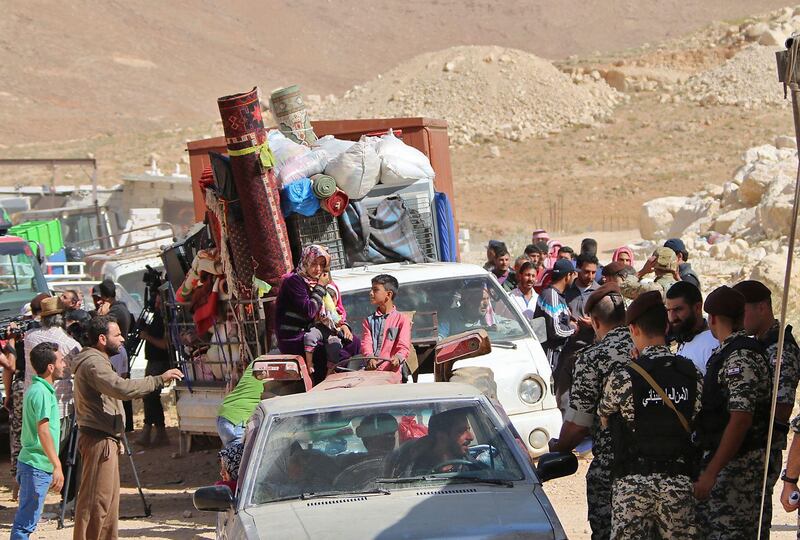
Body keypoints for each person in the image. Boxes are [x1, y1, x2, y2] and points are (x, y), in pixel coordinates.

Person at [598, 290, 702, 540]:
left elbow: (604, 416)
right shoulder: (691, 374)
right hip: (678, 482)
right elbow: (699, 417)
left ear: (633, 329)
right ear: (666, 326)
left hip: (633, 483)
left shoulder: (624, 376)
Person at [71, 316, 183, 540]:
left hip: (106, 439)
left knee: (108, 505)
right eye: (117, 334)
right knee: (96, 503)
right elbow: (121, 388)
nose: (122, 339)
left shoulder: (99, 360)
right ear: (102, 339)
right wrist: (159, 379)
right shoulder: (94, 363)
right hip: (98, 441)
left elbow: (112, 398)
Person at [549, 283, 633, 539]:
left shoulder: (593, 358)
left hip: (613, 469)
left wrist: (560, 446)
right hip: (660, 465)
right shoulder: (646, 347)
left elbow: (579, 424)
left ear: (595, 323)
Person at [694, 286, 772, 539]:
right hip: (726, 467)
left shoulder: (740, 356)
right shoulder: (726, 353)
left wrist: (711, 473)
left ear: (712, 319)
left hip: (737, 472)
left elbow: (741, 418)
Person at [733, 279, 800, 535]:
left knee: (753, 519)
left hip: (763, 447)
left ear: (762, 308)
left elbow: (781, 407)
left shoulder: (780, 348)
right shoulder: (759, 344)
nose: (740, 319)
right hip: (750, 445)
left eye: (744, 311)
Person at [275, 244, 359, 384]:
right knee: (323, 352)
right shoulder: (294, 281)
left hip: (317, 330)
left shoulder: (317, 283)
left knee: (353, 342)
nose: (318, 269)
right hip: (294, 337)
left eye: (322, 265)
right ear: (306, 261)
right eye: (314, 264)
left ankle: (332, 374)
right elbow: (309, 311)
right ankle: (323, 382)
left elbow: (331, 309)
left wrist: (343, 325)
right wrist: (320, 287)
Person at [11, 343, 66, 540]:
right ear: (50, 367)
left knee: (27, 519)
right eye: (60, 361)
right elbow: (43, 432)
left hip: (32, 464)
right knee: (25, 523)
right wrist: (56, 464)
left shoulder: (36, 389)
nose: (64, 364)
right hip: (36, 465)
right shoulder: (42, 393)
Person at [23, 297, 80, 426]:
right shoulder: (69, 343)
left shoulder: (29, 336)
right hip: (58, 408)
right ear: (63, 317)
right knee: (55, 445)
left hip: (32, 403)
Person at [391, 408, 476, 476]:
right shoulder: (414, 468)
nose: (471, 437)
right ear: (441, 437)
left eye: (468, 429)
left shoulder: (474, 468)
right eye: (461, 431)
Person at [137, 294, 172, 447]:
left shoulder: (167, 319)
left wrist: (147, 337)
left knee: (151, 396)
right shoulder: (156, 317)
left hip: (160, 362)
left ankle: (153, 431)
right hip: (153, 362)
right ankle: (156, 432)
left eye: (160, 302)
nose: (157, 305)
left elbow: (165, 344)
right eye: (156, 302)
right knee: (150, 397)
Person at [361, 274, 411, 372]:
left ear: (388, 294)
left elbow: (403, 346)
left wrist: (398, 357)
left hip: (392, 373)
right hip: (372, 371)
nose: (371, 293)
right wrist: (370, 357)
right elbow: (366, 343)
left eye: (375, 290)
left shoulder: (402, 319)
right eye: (371, 289)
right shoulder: (368, 321)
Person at [666, 282, 718, 375]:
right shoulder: (684, 337)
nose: (672, 317)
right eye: (669, 311)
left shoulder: (712, 344)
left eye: (678, 309)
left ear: (697, 307)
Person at [534, 259, 577, 371]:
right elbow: (556, 330)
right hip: (551, 356)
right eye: (573, 275)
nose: (574, 278)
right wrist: (573, 328)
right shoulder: (551, 296)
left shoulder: (556, 295)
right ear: (568, 275)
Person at [216, 362, 270, 447]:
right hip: (239, 421)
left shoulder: (256, 363)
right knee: (241, 456)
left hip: (224, 414)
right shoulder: (271, 381)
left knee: (234, 454)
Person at [302, 269, 345, 375]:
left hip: (332, 331)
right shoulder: (316, 300)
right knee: (309, 337)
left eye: (333, 297)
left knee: (334, 346)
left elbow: (340, 322)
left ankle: (330, 372)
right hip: (318, 327)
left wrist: (342, 326)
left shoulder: (339, 312)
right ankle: (309, 363)